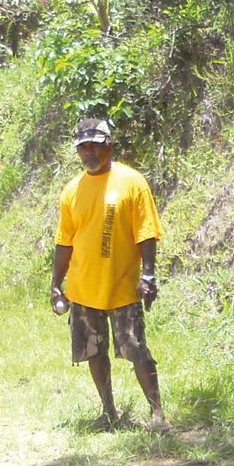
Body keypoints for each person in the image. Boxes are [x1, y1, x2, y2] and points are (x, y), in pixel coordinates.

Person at [49, 117, 166, 429]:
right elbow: (64, 243)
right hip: (84, 290)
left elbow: (146, 233)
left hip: (123, 286)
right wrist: (56, 285)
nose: (89, 152)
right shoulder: (72, 191)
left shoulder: (132, 182)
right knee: (93, 352)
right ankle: (109, 412)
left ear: (109, 146)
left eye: (95, 146)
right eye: (83, 147)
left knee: (136, 349)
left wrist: (149, 275)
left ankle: (157, 414)